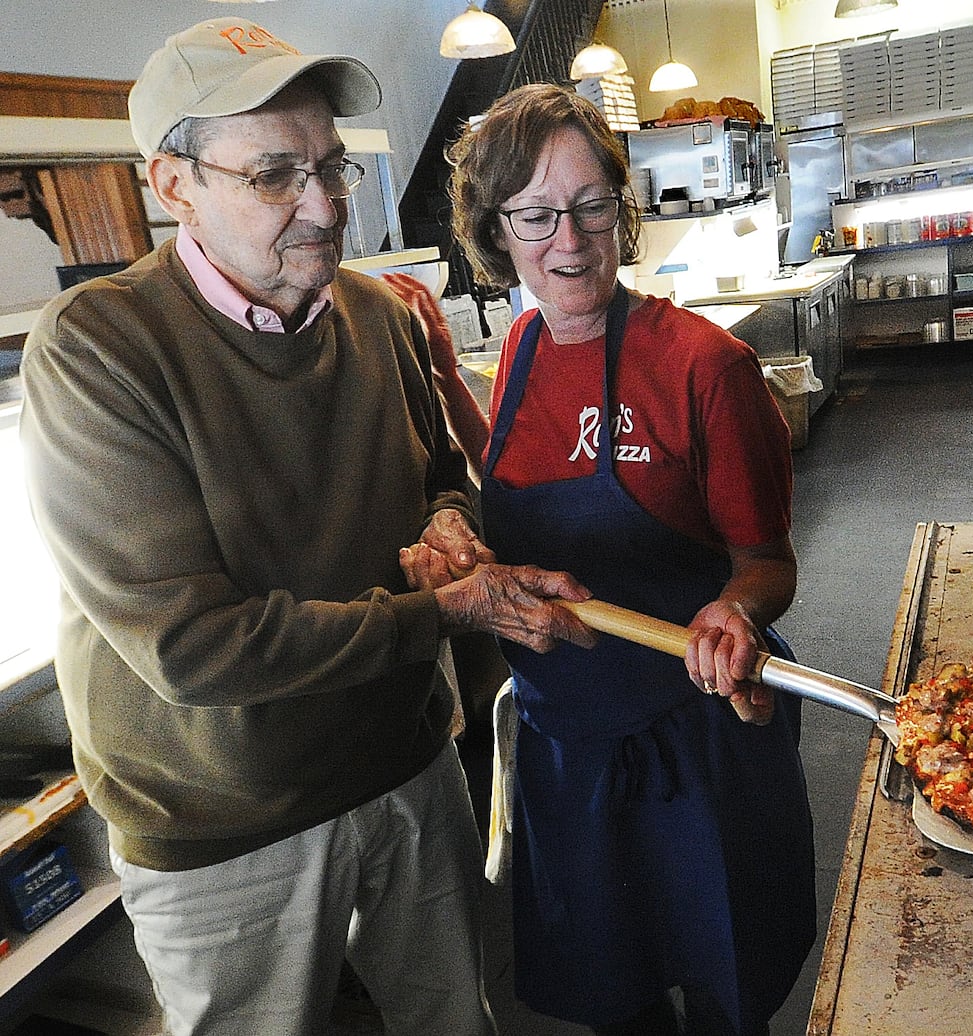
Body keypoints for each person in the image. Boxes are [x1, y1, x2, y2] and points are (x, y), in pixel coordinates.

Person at [19, 19, 597, 1036]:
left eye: (330, 165)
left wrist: (449, 529)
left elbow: (440, 478)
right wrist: (449, 608)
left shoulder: (374, 315)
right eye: (276, 174)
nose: (327, 206)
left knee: (456, 1019)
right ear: (174, 184)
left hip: (405, 771)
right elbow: (192, 651)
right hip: (220, 820)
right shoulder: (98, 348)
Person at [385, 84, 816, 1036]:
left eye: (590, 207)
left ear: (621, 211)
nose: (569, 242)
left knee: (722, 990)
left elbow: (766, 560)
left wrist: (735, 612)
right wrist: (450, 398)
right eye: (536, 215)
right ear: (496, 232)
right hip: (566, 746)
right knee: (614, 998)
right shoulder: (529, 344)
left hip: (693, 740)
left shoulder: (703, 367)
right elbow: (516, 462)